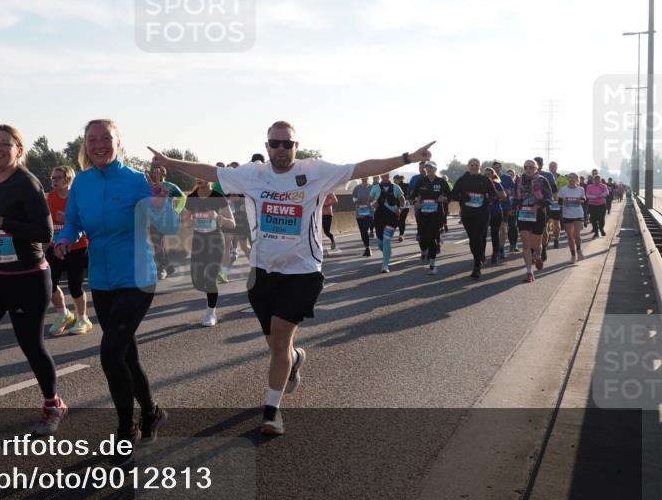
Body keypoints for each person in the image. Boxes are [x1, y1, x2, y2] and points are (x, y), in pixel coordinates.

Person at [150, 121, 435, 437]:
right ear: (268, 145)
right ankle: (296, 358)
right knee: (277, 347)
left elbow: (361, 167)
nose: (282, 149)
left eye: (288, 144)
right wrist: (170, 162)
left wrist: (408, 157)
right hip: (262, 272)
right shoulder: (253, 174)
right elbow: (210, 173)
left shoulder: (315, 171)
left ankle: (271, 411)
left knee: (282, 336)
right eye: (276, 143)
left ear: (297, 146)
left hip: (302, 272)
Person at [56, 119, 180, 465]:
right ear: (85, 144)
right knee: (126, 355)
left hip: (138, 277)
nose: (98, 144)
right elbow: (73, 223)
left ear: (118, 142)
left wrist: (160, 203)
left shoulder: (137, 180)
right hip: (102, 281)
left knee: (111, 354)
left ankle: (127, 430)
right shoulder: (81, 183)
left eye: (105, 138)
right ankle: (152, 412)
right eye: (92, 139)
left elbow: (168, 226)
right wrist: (64, 238)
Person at [0, 125, 65, 438]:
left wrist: (5, 222)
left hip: (27, 279)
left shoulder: (27, 183)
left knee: (31, 345)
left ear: (19, 149)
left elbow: (45, 234)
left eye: (5, 143)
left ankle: (52, 404)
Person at [46, 166, 92, 336]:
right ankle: (63, 314)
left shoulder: (78, 197)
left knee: (75, 286)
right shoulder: (50, 197)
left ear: (68, 179)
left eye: (57, 177)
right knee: (48, 283)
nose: (54, 180)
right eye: (52, 177)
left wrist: (67, 218)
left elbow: (88, 221)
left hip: (77, 247)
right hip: (55, 246)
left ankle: (82, 318)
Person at [184, 178, 235, 326]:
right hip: (198, 243)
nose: (199, 179)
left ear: (209, 179)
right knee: (198, 282)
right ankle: (210, 292)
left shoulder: (218, 197)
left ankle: (211, 313)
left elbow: (232, 223)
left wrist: (218, 217)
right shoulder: (192, 198)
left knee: (210, 279)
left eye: (202, 176)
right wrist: (192, 221)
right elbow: (186, 222)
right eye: (196, 176)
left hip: (215, 243)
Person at [450, 158, 497, 279]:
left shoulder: (485, 179)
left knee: (478, 236)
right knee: (473, 238)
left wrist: (487, 200)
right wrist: (462, 197)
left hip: (482, 213)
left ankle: (477, 265)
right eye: (472, 165)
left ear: (479, 167)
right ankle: (480, 257)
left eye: (477, 165)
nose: (474, 167)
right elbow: (453, 195)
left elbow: (493, 195)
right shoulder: (462, 180)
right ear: (468, 166)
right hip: (467, 214)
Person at [514, 160, 553, 283]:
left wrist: (538, 205)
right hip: (524, 214)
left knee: (536, 245)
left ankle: (537, 255)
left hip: (538, 214)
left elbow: (549, 198)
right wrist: (513, 207)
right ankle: (529, 272)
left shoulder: (542, 180)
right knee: (526, 244)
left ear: (536, 168)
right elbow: (516, 197)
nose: (528, 169)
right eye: (526, 167)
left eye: (531, 167)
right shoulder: (519, 180)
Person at [410, 161, 450, 275]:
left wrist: (444, 198)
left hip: (436, 214)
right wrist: (415, 202)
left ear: (435, 169)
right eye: (427, 168)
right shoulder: (421, 181)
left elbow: (450, 194)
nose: (429, 170)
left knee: (432, 238)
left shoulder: (441, 182)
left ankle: (432, 265)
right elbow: (412, 196)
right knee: (423, 239)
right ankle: (425, 250)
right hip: (423, 214)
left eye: (431, 168)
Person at [369, 173, 405, 273]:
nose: (385, 177)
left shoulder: (396, 187)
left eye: (387, 175)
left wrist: (400, 209)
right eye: (383, 176)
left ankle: (385, 265)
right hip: (379, 216)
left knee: (386, 240)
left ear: (389, 176)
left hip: (392, 217)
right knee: (380, 242)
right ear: (381, 176)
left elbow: (402, 200)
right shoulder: (375, 188)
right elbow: (370, 201)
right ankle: (387, 252)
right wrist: (373, 204)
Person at [558, 173, 586, 263]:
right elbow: (559, 202)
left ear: (577, 179)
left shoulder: (581, 189)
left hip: (578, 213)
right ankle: (573, 256)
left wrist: (580, 200)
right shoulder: (563, 189)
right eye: (569, 177)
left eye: (573, 177)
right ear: (568, 179)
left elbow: (584, 199)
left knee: (576, 235)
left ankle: (579, 250)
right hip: (567, 214)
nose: (571, 179)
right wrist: (563, 202)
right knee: (570, 236)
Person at [491, 161, 515, 260]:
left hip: (505, 207)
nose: (496, 169)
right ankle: (495, 249)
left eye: (497, 167)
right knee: (494, 231)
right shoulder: (489, 179)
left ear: (500, 167)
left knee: (503, 229)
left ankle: (501, 248)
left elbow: (513, 191)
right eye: (494, 168)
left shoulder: (507, 178)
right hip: (492, 207)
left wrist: (509, 193)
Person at [484, 167, 506, 265]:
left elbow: (504, 197)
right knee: (482, 235)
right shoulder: (481, 185)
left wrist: (493, 188)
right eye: (486, 174)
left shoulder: (497, 184)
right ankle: (481, 256)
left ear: (493, 175)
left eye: (489, 174)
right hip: (483, 213)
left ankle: (495, 254)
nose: (487, 175)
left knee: (494, 234)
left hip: (496, 212)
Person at [546, 161, 567, 251]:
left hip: (556, 203)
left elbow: (565, 190)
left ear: (557, 167)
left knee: (556, 222)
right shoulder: (544, 177)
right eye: (551, 166)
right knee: (546, 222)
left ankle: (556, 239)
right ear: (549, 167)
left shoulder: (562, 178)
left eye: (554, 166)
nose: (552, 167)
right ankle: (546, 238)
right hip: (546, 202)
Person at [352, 176, 375, 257]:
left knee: (365, 230)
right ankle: (367, 248)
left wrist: (371, 203)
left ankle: (368, 249)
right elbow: (354, 197)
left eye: (366, 177)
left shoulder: (372, 187)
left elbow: (376, 198)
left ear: (369, 178)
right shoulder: (357, 188)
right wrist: (356, 201)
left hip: (369, 212)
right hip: (359, 212)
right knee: (362, 231)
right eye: (362, 178)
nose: (364, 179)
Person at [505, 169, 520, 251]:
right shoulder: (503, 184)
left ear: (514, 176)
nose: (510, 176)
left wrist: (514, 208)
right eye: (508, 175)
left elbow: (518, 197)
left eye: (511, 175)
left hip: (515, 208)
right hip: (505, 208)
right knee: (508, 227)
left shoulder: (517, 185)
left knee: (513, 226)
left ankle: (514, 244)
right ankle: (511, 244)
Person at [393, 174, 410, 243]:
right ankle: (401, 234)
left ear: (398, 180)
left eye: (394, 180)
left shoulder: (400, 186)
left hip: (403, 206)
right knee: (400, 221)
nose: (394, 182)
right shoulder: (394, 186)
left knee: (401, 220)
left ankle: (401, 235)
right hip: (400, 206)